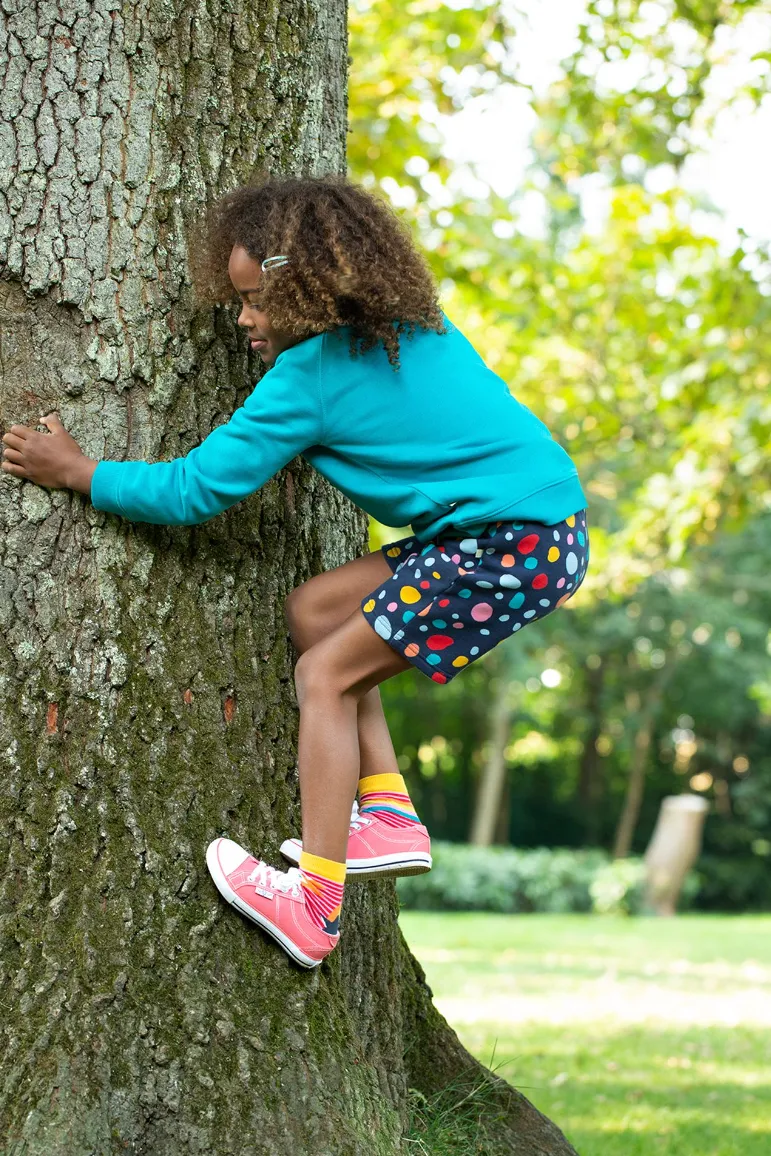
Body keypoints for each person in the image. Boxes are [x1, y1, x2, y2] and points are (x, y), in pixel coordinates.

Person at [0, 175, 589, 969]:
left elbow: (193, 490)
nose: (243, 318)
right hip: (526, 531)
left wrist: (79, 472)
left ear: (307, 290)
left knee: (324, 676)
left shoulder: (305, 380)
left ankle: (315, 904)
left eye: (255, 301)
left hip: (503, 543)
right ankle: (386, 811)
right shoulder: (417, 331)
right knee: (317, 612)